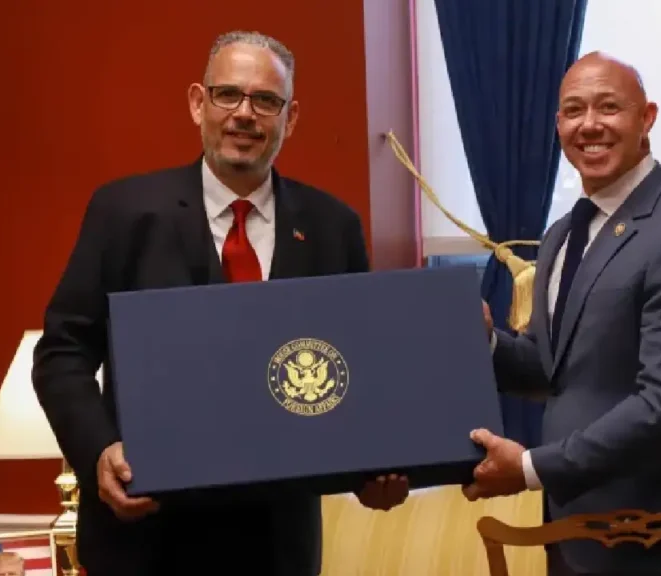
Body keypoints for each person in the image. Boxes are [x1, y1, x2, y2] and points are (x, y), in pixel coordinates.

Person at [32, 30, 408, 576]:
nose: (244, 114)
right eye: (227, 94)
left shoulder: (333, 227)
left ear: (290, 117)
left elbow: (353, 371)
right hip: (144, 537)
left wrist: (375, 468)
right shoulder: (124, 213)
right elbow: (62, 354)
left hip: (277, 547)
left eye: (265, 100)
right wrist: (97, 451)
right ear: (197, 103)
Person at [464, 52, 661, 576]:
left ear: (647, 117)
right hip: (575, 538)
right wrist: (486, 342)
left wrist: (529, 468)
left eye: (609, 107)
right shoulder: (561, 235)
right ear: (558, 125)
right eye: (574, 111)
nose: (589, 125)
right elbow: (557, 371)